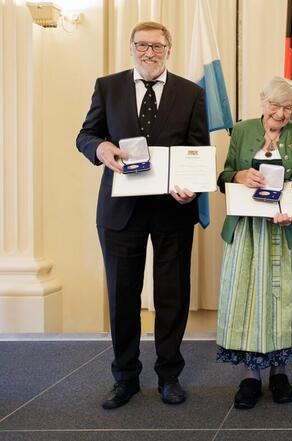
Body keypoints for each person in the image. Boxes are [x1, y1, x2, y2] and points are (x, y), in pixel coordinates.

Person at [76, 21, 209, 409]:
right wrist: (100, 148)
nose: (149, 53)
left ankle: (169, 376)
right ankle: (125, 377)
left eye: (157, 46)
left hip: (173, 210)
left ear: (169, 49)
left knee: (172, 296)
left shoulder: (191, 92)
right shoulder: (108, 87)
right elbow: (85, 135)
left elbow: (198, 151)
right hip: (120, 212)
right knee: (122, 296)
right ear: (131, 47)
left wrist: (193, 188)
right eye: (142, 45)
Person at [216, 76, 292, 410]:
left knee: (282, 302)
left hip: (285, 230)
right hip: (247, 232)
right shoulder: (242, 131)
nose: (281, 113)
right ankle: (250, 377)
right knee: (248, 302)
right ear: (262, 101)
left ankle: (279, 373)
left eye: (288, 108)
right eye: (275, 105)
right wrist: (239, 175)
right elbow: (224, 176)